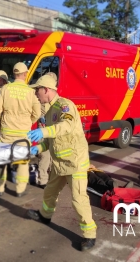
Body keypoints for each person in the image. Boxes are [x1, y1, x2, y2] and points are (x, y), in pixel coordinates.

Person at [26, 74, 97, 251]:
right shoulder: (49, 112)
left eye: (37, 90)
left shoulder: (64, 105)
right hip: (59, 162)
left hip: (75, 162)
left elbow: (67, 126)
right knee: (50, 191)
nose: (36, 94)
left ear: (46, 90)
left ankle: (89, 235)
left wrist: (45, 132)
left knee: (78, 199)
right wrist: (39, 148)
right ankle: (45, 215)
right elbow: (50, 140)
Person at [0, 62, 41, 197]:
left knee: (1, 161)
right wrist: (28, 122)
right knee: (23, 162)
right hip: (23, 134)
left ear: (14, 74)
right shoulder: (31, 92)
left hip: (6, 132)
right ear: (25, 74)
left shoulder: (5, 89)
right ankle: (20, 189)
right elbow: (37, 113)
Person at [35, 72, 57, 188]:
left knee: (53, 154)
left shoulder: (55, 98)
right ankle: (42, 179)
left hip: (51, 129)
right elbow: (35, 109)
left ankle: (51, 176)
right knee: (44, 155)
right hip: (43, 128)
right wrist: (41, 118)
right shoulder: (40, 95)